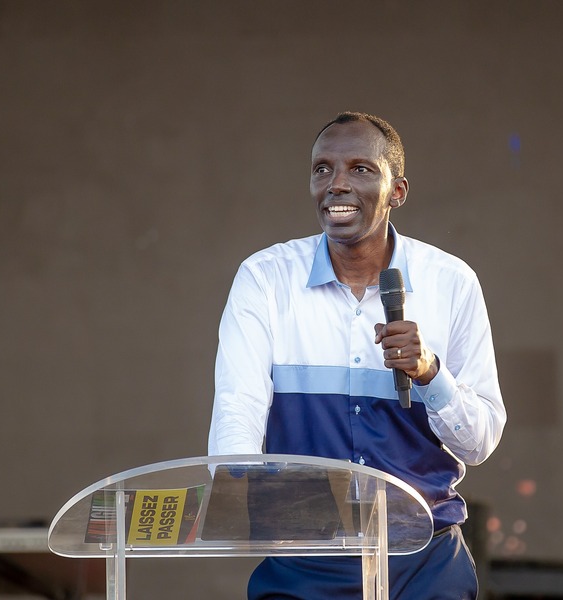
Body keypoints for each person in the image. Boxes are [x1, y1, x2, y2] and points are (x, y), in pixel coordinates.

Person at [208, 111, 506, 599]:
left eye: (360, 169)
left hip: (424, 562)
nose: (337, 184)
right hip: (305, 562)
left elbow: (479, 442)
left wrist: (430, 374)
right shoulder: (265, 279)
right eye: (322, 169)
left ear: (397, 191)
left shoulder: (452, 282)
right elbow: (237, 407)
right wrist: (241, 490)